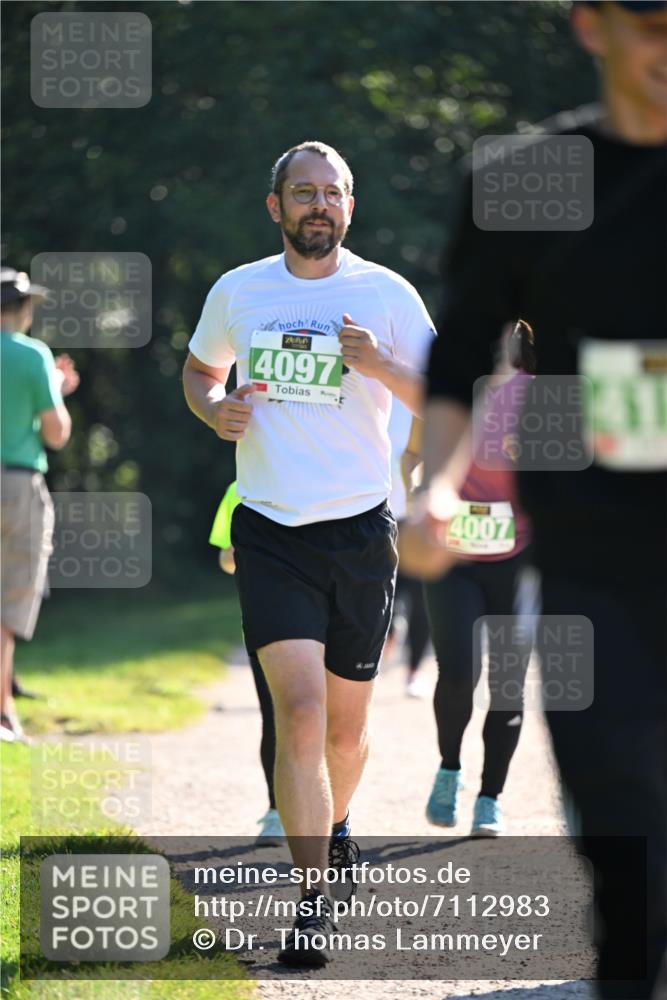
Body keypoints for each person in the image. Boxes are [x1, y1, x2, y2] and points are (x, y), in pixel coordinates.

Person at [411, 2, 667, 996]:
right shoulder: (525, 180)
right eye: (648, 19)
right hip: (590, 558)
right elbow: (460, 348)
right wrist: (432, 485)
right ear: (590, 24)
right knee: (622, 832)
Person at [183, 139, 435, 967]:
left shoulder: (386, 294)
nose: (317, 204)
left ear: (349, 208)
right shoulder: (238, 290)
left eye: (332, 193)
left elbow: (445, 395)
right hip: (269, 527)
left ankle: (337, 824)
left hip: (360, 532)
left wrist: (379, 362)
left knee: (344, 736)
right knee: (298, 715)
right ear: (276, 206)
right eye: (302, 192)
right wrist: (214, 407)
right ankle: (311, 904)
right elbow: (198, 370)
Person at [423, 322, 536, 838]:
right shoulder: (450, 391)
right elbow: (413, 451)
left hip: (519, 557)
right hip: (455, 555)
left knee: (509, 684)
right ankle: (450, 767)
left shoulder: (545, 395)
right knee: (458, 673)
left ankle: (491, 797)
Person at [1, 267, 79, 742]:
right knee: (8, 602)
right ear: (24, 310)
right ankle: (3, 711)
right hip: (15, 487)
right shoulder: (33, 356)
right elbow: (56, 433)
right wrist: (50, 389)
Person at [208, 480, 284, 845]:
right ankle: (275, 811)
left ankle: (330, 815)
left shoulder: (324, 478)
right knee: (275, 717)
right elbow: (225, 558)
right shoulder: (240, 489)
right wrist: (239, 552)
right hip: (265, 615)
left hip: (328, 622)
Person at [385, 406, 432, 698]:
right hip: (375, 509)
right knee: (385, 587)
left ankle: (413, 671)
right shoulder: (368, 380)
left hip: (417, 516)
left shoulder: (425, 392)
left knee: (421, 595)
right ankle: (389, 633)